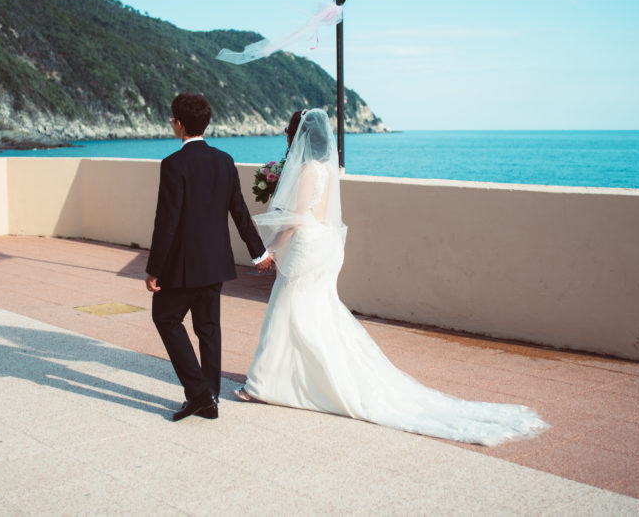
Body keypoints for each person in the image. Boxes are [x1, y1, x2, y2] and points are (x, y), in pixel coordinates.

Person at [234, 109, 547, 445]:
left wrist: (268, 250)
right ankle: (292, 379)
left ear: (298, 137)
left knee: (286, 309)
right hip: (327, 245)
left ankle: (263, 384)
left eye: (288, 131)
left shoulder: (308, 168)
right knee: (316, 313)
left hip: (309, 246)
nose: (284, 136)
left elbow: (295, 219)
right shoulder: (326, 167)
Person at [146, 93, 274, 421]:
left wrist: (154, 269)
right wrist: (258, 252)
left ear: (179, 124)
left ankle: (201, 393)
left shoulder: (173, 165)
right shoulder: (224, 161)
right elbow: (240, 212)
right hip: (216, 262)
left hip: (183, 267)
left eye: (172, 119)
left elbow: (167, 221)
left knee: (165, 317)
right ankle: (211, 396)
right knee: (208, 328)